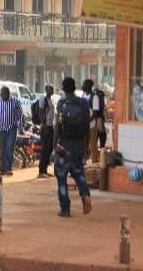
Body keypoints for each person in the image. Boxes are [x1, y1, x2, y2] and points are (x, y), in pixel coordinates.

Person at [53, 77, 92, 218]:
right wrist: (86, 145)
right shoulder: (83, 103)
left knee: (61, 176)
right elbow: (87, 127)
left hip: (64, 145)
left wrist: (54, 144)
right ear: (74, 88)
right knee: (78, 173)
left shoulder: (62, 104)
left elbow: (57, 125)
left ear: (64, 89)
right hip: (78, 145)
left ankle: (65, 208)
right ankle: (85, 194)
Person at [0, 87, 24, 177]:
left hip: (12, 128)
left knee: (9, 148)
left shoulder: (15, 102)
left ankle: (8, 169)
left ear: (8, 93)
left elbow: (20, 114)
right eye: (2, 94)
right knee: (2, 149)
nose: (3, 95)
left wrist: (20, 126)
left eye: (5, 93)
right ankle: (2, 169)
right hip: (1, 129)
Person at [38, 85, 55, 179]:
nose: (51, 90)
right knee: (45, 149)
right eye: (50, 89)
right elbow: (41, 112)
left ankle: (45, 169)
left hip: (50, 126)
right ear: (46, 90)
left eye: (52, 89)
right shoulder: (43, 99)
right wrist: (44, 126)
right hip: (46, 127)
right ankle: (41, 170)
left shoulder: (50, 100)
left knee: (49, 149)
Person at [81, 79, 101, 163]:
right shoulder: (83, 95)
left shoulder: (94, 97)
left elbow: (95, 113)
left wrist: (87, 121)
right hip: (84, 124)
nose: (83, 86)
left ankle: (95, 164)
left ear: (89, 86)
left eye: (84, 85)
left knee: (93, 146)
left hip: (91, 124)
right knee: (83, 146)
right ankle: (84, 163)